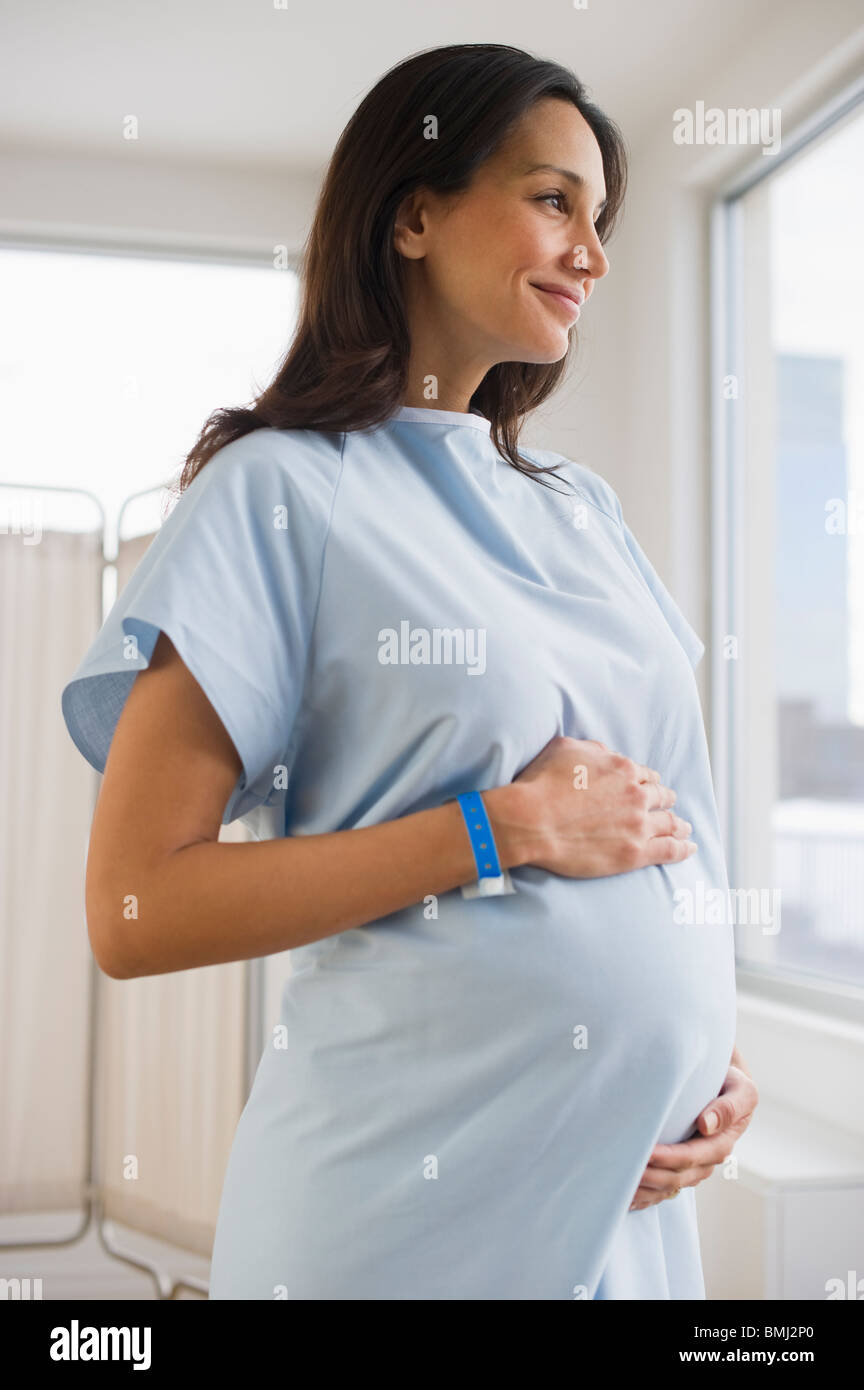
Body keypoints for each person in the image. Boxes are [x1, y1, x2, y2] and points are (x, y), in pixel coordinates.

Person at [61, 43, 758, 1300]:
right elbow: (134, 908)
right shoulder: (281, 491)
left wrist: (716, 1059)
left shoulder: (585, 513)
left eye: (600, 219)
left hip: (625, 1203)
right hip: (405, 1217)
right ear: (415, 213)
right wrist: (500, 829)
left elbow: (671, 828)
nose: (592, 253)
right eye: (553, 201)